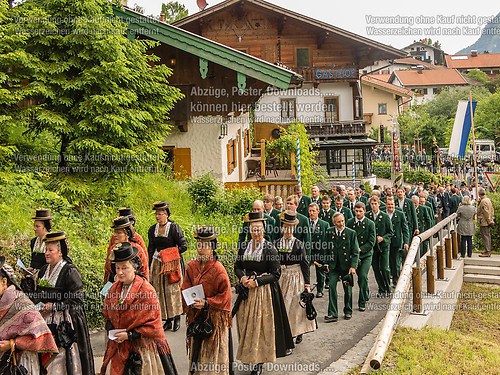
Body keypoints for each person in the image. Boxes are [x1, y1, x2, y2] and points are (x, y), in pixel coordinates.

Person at [101, 242, 178, 375]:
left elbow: (154, 324)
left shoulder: (146, 290)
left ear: (135, 267)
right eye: (117, 268)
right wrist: (110, 328)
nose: (119, 272)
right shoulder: (114, 288)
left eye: (124, 268)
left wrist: (130, 335)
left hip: (142, 349)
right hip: (118, 348)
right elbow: (107, 313)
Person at [234, 212, 294, 375]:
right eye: (253, 230)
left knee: (259, 327)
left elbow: (276, 274)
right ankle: (248, 356)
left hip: (263, 294)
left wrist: (258, 281)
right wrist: (243, 278)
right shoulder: (244, 246)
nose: (256, 233)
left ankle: (259, 361)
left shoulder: (269, 248)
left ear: (263, 229)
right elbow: (237, 266)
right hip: (247, 292)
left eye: (259, 229)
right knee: (246, 324)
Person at [34, 231, 95, 375]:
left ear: (60, 252)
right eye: (46, 250)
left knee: (62, 359)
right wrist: (39, 304)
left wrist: (55, 306)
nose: (47, 253)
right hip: (45, 319)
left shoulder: (70, 271)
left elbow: (77, 298)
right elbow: (37, 293)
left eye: (50, 250)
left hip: (66, 321)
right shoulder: (43, 270)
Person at [182, 226, 232, 375]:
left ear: (212, 248)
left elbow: (226, 296)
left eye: (204, 246)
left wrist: (207, 303)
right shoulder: (191, 266)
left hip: (214, 320)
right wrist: (190, 301)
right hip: (196, 317)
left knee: (211, 357)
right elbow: (185, 287)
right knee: (197, 355)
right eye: (198, 245)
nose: (200, 249)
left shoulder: (218, 270)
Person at [0, 256, 58, 374]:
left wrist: (12, 344)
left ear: (4, 282)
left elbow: (40, 337)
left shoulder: (22, 304)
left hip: (21, 362)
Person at [275, 211, 316, 345]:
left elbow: (305, 264)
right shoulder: (276, 244)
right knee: (283, 307)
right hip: (281, 278)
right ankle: (287, 333)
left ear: (293, 229)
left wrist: (307, 284)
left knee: (294, 308)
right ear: (282, 227)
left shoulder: (298, 244)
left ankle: (295, 333)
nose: (287, 230)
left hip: (295, 277)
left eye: (290, 227)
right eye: (285, 227)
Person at [148, 201, 187, 331]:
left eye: (160, 214)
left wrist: (167, 254)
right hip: (157, 264)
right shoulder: (152, 229)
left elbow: (183, 246)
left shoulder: (174, 228)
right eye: (156, 214)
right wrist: (149, 264)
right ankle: (167, 319)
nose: (158, 216)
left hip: (172, 264)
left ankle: (176, 317)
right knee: (160, 291)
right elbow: (151, 247)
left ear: (166, 214)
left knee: (172, 290)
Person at [324, 213, 359, 321]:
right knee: (332, 287)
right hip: (333, 266)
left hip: (346, 266)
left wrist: (353, 266)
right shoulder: (329, 232)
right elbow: (325, 249)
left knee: (347, 289)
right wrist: (326, 263)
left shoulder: (351, 233)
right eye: (338, 222)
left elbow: (355, 251)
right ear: (334, 222)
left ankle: (348, 311)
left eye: (343, 221)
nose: (341, 224)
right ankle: (333, 313)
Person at [346, 202, 376, 311]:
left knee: (363, 275)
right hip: (354, 255)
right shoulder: (350, 222)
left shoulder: (370, 224)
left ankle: (362, 301)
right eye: (356, 211)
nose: (358, 213)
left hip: (366, 254)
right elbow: (347, 237)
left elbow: (372, 241)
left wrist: (361, 249)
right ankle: (365, 290)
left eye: (360, 211)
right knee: (360, 278)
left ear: (364, 211)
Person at [104, 216, 149, 283]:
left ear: (127, 234)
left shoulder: (137, 249)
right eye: (115, 232)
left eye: (119, 233)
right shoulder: (113, 248)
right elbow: (108, 270)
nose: (115, 235)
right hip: (114, 282)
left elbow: (144, 271)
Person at [366, 196, 394, 297]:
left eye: (375, 203)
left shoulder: (385, 216)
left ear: (379, 204)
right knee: (376, 268)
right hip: (373, 247)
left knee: (384, 268)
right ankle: (381, 288)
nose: (374, 206)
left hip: (383, 246)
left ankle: (388, 287)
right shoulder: (367, 216)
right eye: (372, 204)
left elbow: (390, 232)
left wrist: (383, 238)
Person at [385, 197, 410, 287]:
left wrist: (406, 242)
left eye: (392, 204)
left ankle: (396, 282)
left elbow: (405, 229)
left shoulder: (400, 214)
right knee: (387, 263)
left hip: (397, 242)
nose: (390, 206)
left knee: (396, 263)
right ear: (386, 205)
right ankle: (387, 281)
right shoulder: (383, 214)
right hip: (386, 243)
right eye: (388, 204)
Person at [308, 203, 330, 298]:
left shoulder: (324, 224)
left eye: (314, 211)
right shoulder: (306, 223)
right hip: (308, 251)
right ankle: (306, 289)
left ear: (318, 211)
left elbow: (328, 239)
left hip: (319, 251)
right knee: (305, 270)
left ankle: (320, 290)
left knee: (320, 271)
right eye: (310, 211)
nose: (312, 213)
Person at [477, 188, 495, 257]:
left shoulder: (483, 201)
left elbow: (486, 212)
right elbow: (492, 210)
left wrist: (489, 220)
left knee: (485, 236)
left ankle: (487, 251)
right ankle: (487, 250)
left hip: (484, 221)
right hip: (487, 220)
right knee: (487, 235)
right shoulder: (488, 200)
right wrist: (492, 218)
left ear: (479, 194)